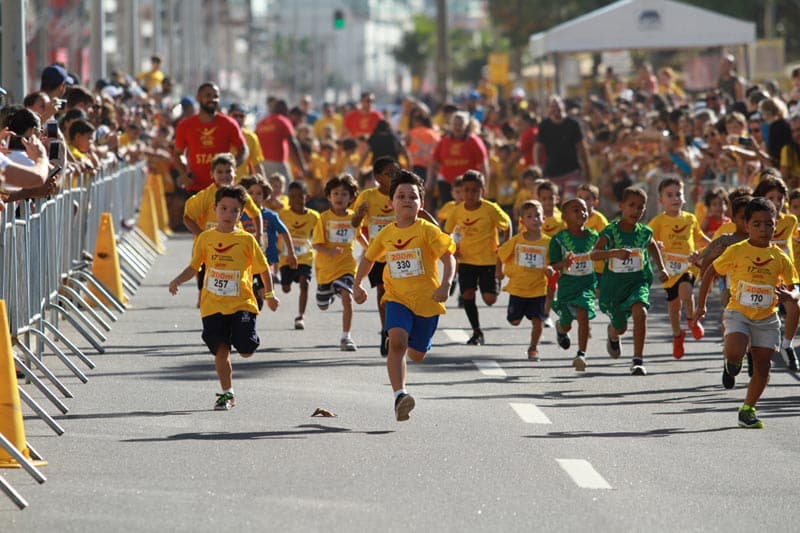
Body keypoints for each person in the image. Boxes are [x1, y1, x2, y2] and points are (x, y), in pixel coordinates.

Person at [353, 169, 456, 421]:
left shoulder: (427, 231)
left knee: (417, 354)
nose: (407, 200)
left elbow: (448, 258)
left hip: (427, 302)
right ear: (391, 204)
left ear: (421, 205)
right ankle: (400, 395)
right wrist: (357, 284)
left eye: (413, 196)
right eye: (401, 196)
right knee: (397, 341)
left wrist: (446, 284)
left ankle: (413, 345)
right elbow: (367, 259)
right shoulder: (386, 234)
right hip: (397, 298)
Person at [168, 184, 279, 411]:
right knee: (221, 350)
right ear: (215, 208)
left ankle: (244, 339)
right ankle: (227, 394)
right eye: (224, 208)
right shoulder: (205, 238)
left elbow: (263, 269)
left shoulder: (247, 240)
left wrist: (269, 294)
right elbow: (194, 267)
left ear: (241, 214)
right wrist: (177, 280)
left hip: (242, 303)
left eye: (234, 210)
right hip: (213, 305)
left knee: (246, 350)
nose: (228, 214)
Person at [694, 197, 799, 428]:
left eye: (769, 224)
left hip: (767, 318)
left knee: (763, 367)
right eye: (757, 224)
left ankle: (748, 409)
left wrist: (791, 296)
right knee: (734, 351)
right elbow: (711, 271)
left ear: (775, 225)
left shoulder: (781, 257)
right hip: (738, 312)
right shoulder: (737, 250)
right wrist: (701, 305)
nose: (763, 229)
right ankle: (733, 361)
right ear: (747, 225)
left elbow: (794, 290)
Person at [591, 187, 669, 376]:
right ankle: (613, 332)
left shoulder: (644, 232)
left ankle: (638, 360)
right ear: (621, 206)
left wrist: (662, 267)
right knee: (621, 326)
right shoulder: (611, 231)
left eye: (640, 207)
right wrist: (614, 253)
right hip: (615, 287)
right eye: (632, 206)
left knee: (640, 312)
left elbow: (651, 245)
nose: (636, 211)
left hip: (638, 282)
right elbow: (594, 254)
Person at [444, 170, 511, 345]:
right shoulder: (457, 210)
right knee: (467, 294)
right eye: (466, 190)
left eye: (475, 190)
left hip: (488, 260)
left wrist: (505, 247)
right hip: (466, 260)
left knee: (489, 300)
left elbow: (507, 224)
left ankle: (494, 283)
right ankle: (476, 331)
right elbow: (447, 231)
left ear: (483, 190)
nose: (470, 194)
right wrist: (453, 249)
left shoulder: (490, 209)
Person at [647, 177, 710, 359]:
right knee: (674, 307)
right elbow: (646, 239)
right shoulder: (658, 221)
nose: (675, 198)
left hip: (688, 266)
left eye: (678, 194)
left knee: (686, 291)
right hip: (668, 270)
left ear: (684, 198)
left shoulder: (690, 219)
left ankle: (691, 319)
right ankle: (677, 336)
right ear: (661, 201)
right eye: (669, 195)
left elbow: (700, 238)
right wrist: (655, 244)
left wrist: (716, 246)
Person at [312, 173, 367, 351]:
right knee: (322, 305)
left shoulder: (354, 218)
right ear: (329, 196)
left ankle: (346, 337)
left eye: (344, 194)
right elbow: (317, 245)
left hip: (347, 267)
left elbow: (358, 236)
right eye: (335, 193)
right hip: (325, 270)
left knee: (347, 298)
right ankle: (328, 293)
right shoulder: (324, 218)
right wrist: (329, 251)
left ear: (351, 198)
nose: (339, 197)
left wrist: (370, 249)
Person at [351, 157, 399, 355]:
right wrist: (360, 215)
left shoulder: (402, 193)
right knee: (382, 293)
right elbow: (354, 224)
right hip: (379, 254)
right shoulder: (367, 196)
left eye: (396, 172)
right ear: (378, 177)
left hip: (401, 253)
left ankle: (400, 328)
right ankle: (386, 331)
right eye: (389, 173)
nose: (394, 176)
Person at [496, 200, 552, 361]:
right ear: (522, 221)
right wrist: (498, 272)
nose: (534, 219)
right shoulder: (517, 240)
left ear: (544, 218)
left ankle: (533, 348)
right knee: (514, 321)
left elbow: (555, 261)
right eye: (529, 216)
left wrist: (551, 270)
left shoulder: (548, 242)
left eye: (538, 215)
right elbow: (500, 254)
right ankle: (518, 317)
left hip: (539, 288)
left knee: (538, 320)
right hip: (518, 288)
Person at [549, 198, 599, 371]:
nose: (581, 213)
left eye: (584, 210)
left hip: (586, 285)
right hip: (567, 288)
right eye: (576, 210)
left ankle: (581, 354)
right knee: (567, 323)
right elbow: (553, 265)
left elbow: (602, 257)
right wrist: (564, 264)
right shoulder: (559, 239)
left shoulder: (594, 237)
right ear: (565, 216)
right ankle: (561, 329)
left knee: (583, 313)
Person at [173, 83, 247, 193]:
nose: (212, 99)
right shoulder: (185, 125)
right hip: (196, 188)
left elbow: (243, 150)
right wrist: (184, 173)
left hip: (222, 189)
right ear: (198, 98)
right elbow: (177, 153)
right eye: (208, 95)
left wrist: (230, 168)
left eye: (215, 96)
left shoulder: (229, 124)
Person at [239, 176, 296, 288]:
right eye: (250, 193)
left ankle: (259, 292)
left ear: (265, 196)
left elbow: (284, 232)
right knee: (245, 288)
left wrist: (291, 253)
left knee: (265, 290)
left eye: (259, 193)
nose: (254, 196)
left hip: (265, 258)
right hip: (245, 259)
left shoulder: (270, 216)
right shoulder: (239, 214)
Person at [278, 180, 320, 330]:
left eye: (299, 196)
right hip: (286, 257)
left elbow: (319, 236)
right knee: (285, 288)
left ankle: (301, 316)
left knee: (305, 283)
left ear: (306, 197)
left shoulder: (314, 217)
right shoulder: (283, 214)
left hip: (304, 257)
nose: (295, 200)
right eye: (292, 197)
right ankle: (287, 282)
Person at [427, 111, 489, 211]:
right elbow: (434, 163)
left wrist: (485, 186)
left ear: (466, 125)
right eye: (455, 124)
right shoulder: (443, 141)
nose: (457, 127)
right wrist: (429, 182)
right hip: (447, 183)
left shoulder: (474, 141)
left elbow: (483, 166)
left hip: (468, 184)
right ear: (451, 125)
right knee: (448, 210)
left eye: (460, 124)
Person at [534, 95, 589, 200]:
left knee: (569, 201)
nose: (556, 109)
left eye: (558, 105)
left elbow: (581, 147)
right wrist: (537, 165)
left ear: (563, 106)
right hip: (552, 173)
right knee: (554, 203)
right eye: (553, 106)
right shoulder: (544, 126)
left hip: (572, 170)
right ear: (549, 109)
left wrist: (586, 169)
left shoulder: (573, 124)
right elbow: (537, 147)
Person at [255, 99, 307, 181]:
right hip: (278, 163)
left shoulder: (261, 123)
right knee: (285, 190)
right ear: (284, 109)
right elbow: (293, 143)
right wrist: (302, 166)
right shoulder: (283, 121)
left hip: (262, 163)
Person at [228, 103, 265, 178]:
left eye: (241, 116)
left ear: (245, 118)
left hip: (242, 184)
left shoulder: (251, 137)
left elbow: (257, 165)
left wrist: (264, 184)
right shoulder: (221, 133)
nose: (238, 119)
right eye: (235, 116)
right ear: (229, 115)